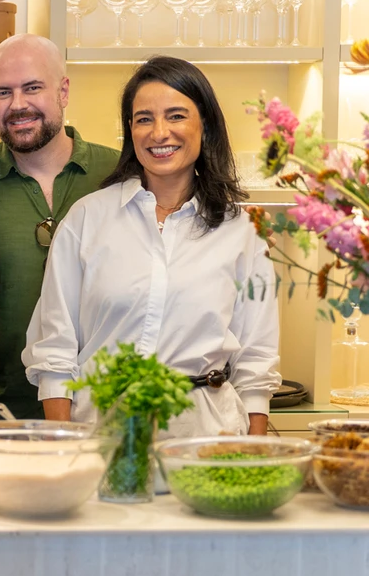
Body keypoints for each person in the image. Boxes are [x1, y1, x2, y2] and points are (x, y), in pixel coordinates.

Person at [23, 55, 280, 436]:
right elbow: (55, 350)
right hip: (103, 436)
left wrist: (255, 454)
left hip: (206, 438)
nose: (159, 133)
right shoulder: (87, 219)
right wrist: (66, 446)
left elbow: (256, 359)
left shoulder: (242, 231)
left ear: (205, 126)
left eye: (176, 116)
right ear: (130, 131)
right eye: (144, 119)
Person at [0, 34, 120, 420]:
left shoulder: (119, 174)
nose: (17, 105)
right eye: (2, 92)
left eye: (32, 88)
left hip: (108, 412)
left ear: (63, 91)